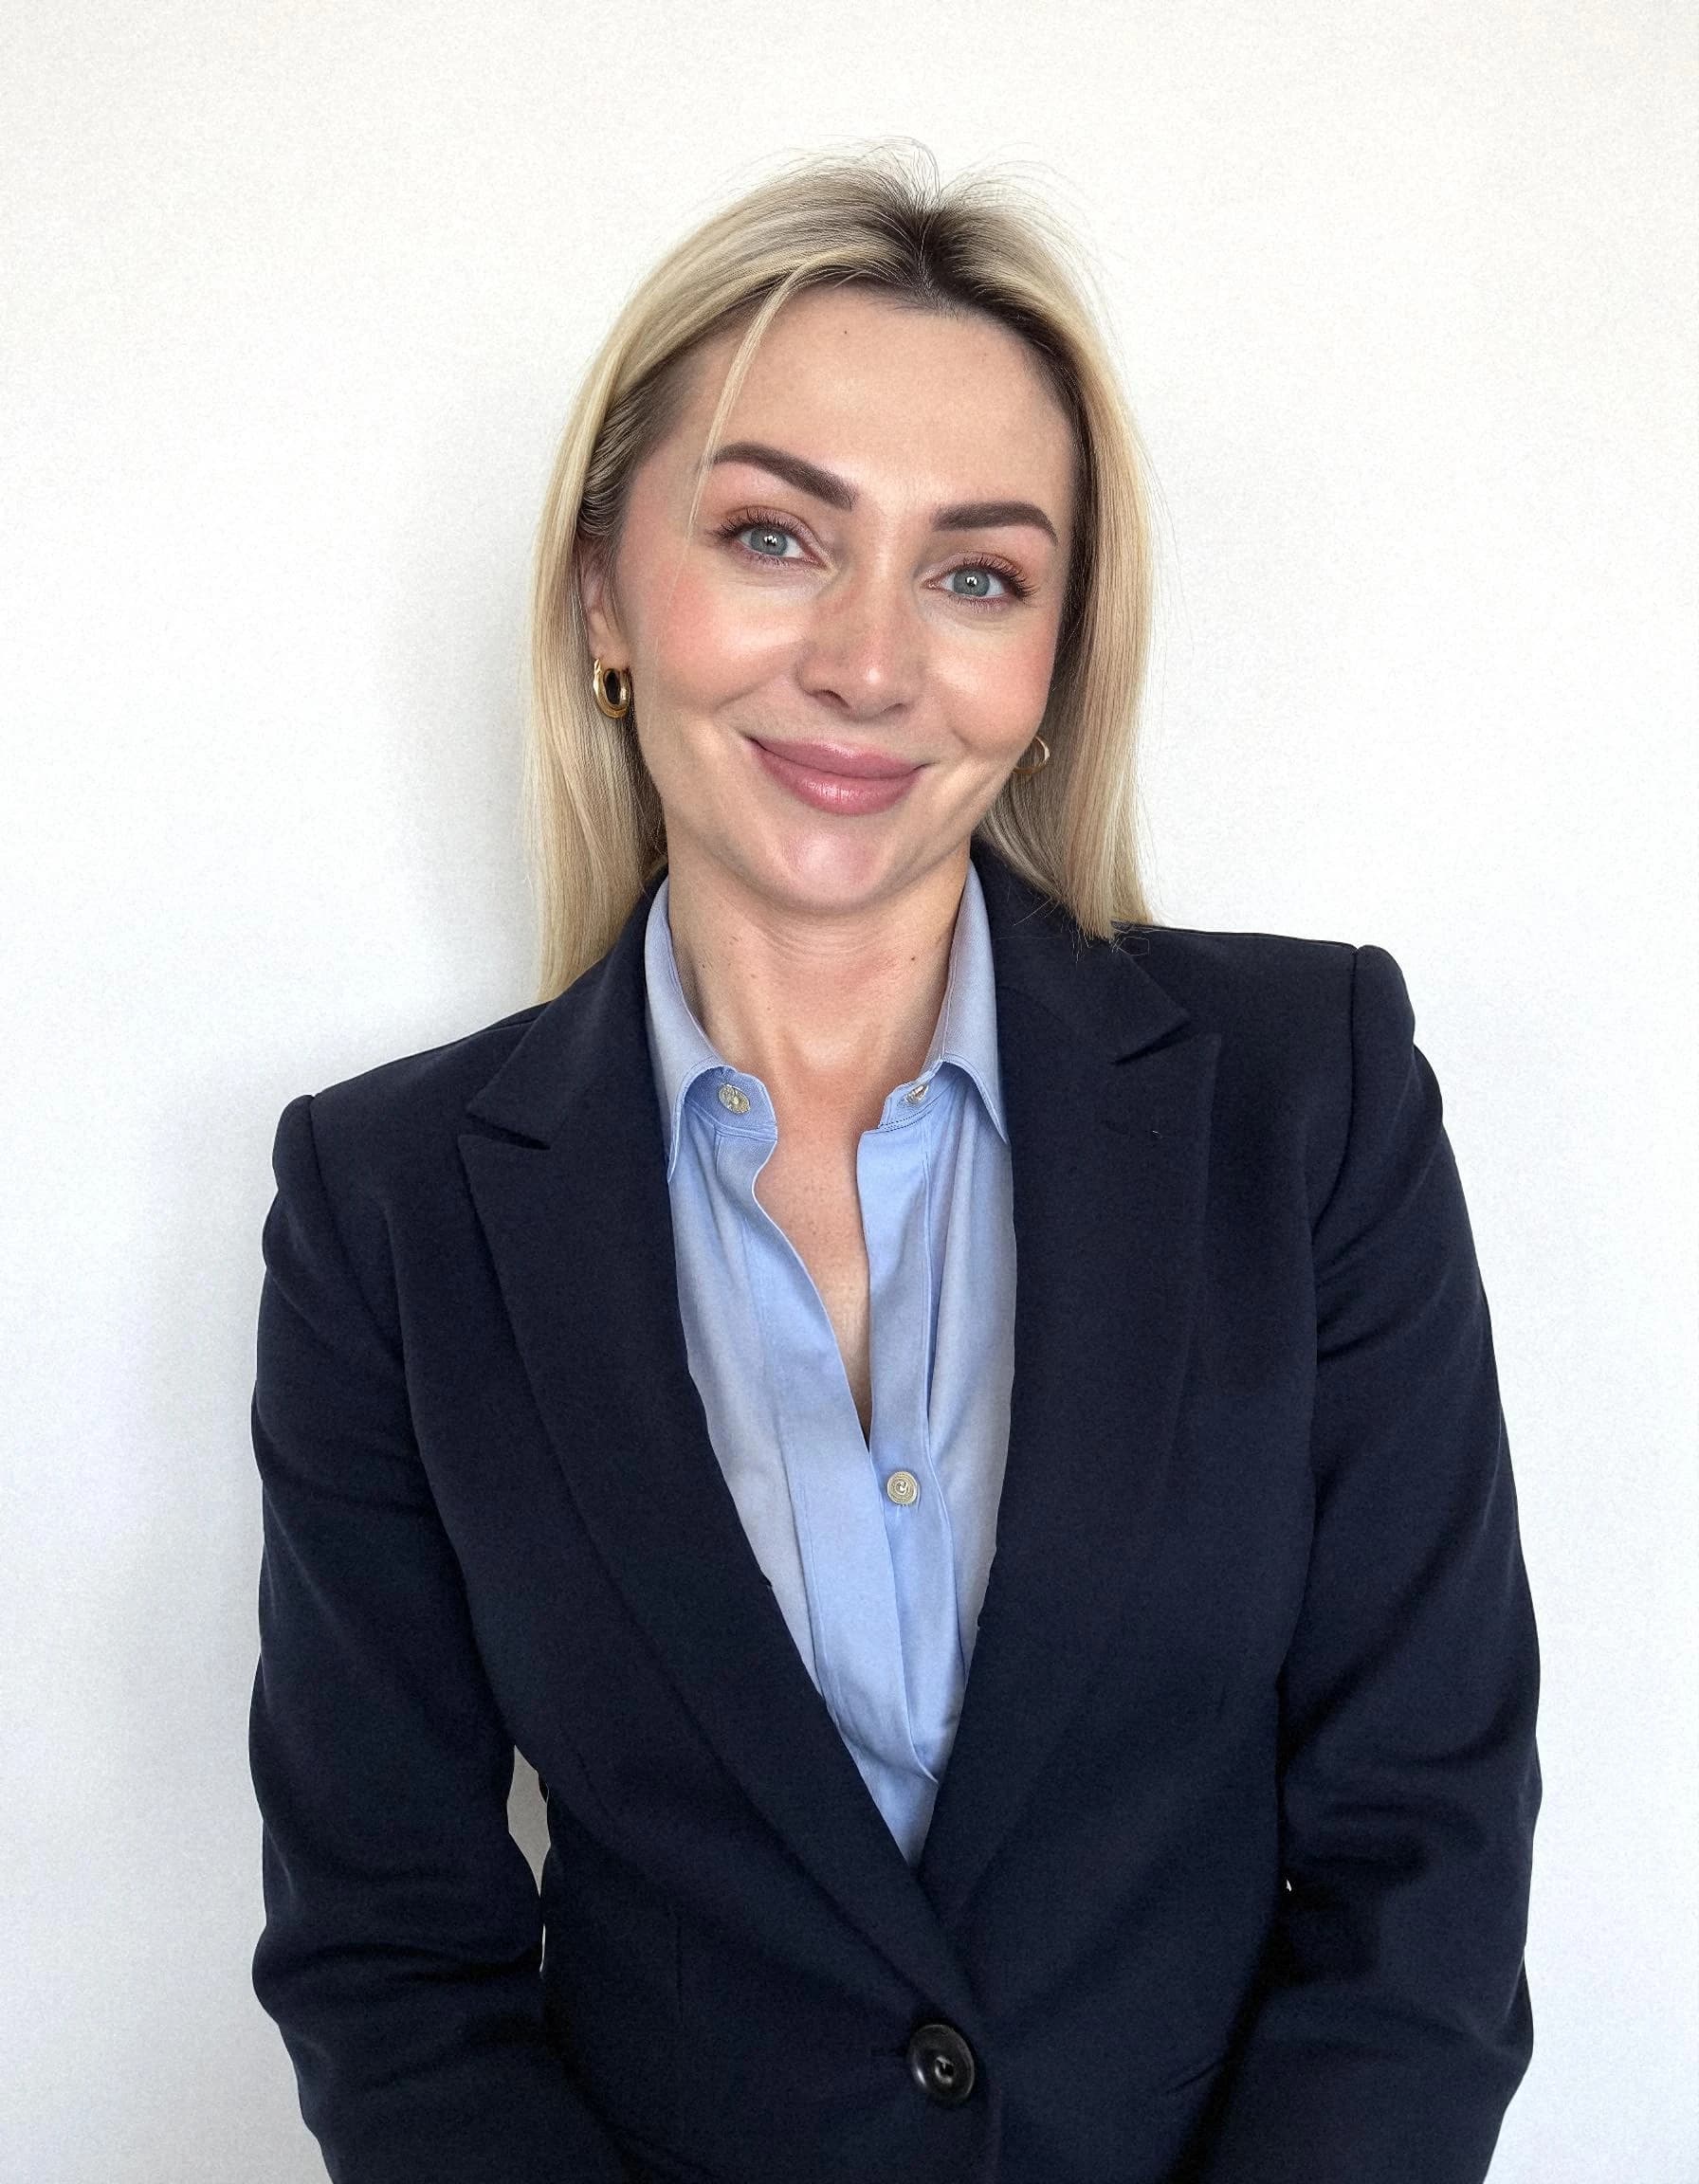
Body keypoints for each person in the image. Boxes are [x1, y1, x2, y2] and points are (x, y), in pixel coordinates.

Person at [247, 143, 1541, 2184]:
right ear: (602, 588)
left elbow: (1422, 1868)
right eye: (772, 535)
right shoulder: (388, 1205)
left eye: (974, 573)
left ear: (1045, 667)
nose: (866, 661)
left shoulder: (1309, 1095)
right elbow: (392, 1964)